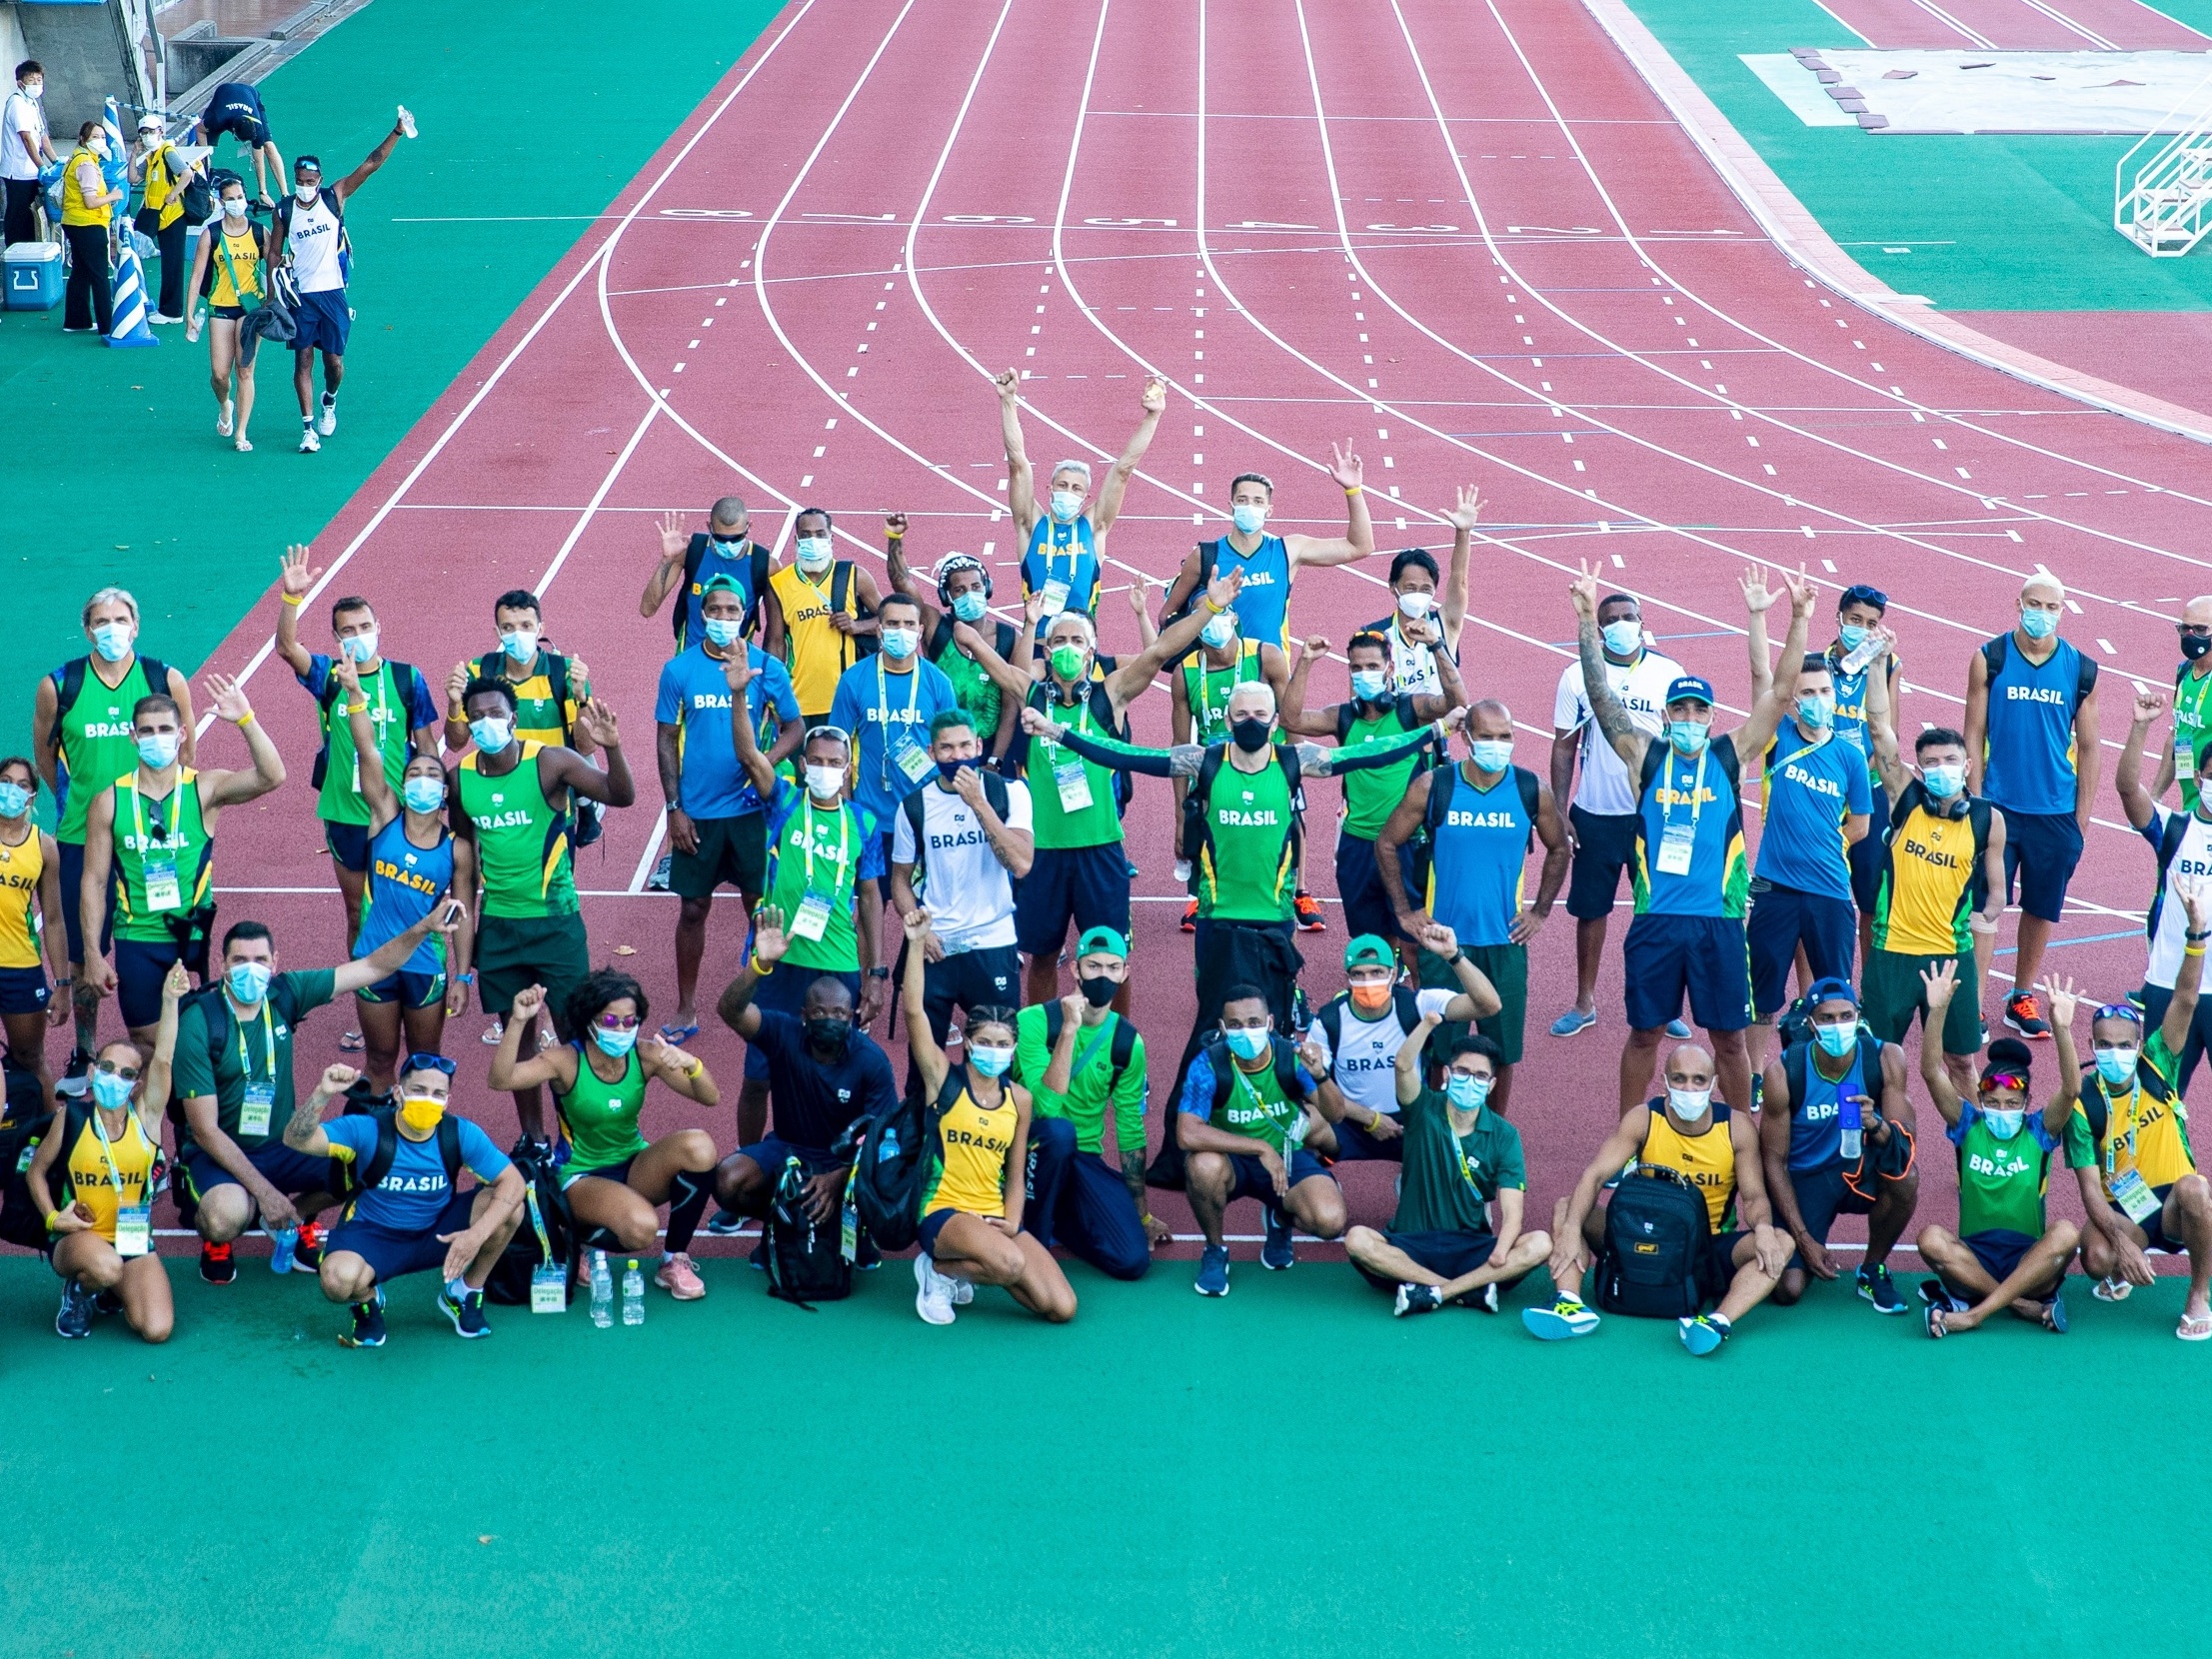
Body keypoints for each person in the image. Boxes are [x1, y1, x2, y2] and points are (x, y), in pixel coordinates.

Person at [1028, 680, 1447, 1064]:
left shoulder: (1294, 761)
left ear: (1275, 721)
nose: (1251, 722)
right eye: (1242, 714)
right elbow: (1128, 755)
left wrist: (1428, 732)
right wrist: (1060, 733)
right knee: (1213, 1025)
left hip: (1276, 921)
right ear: (1228, 720)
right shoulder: (1204, 761)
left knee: (1274, 1026)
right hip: (1217, 919)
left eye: (1261, 715)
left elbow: (1364, 753)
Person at [1567, 561, 1805, 1118]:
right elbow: (1601, 697)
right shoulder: (1644, 755)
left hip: (1719, 925)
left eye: (1700, 708)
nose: (1691, 716)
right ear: (1668, 715)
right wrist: (1584, 618)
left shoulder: (1731, 753)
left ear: (1711, 714)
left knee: (1728, 1040)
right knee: (1645, 1035)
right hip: (1656, 923)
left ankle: (1740, 1139)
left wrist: (1799, 617)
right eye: (1681, 709)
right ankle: (1629, 1136)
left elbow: (1782, 692)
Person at [986, 567, 1244, 1004]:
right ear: (1046, 652)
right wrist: (1022, 626)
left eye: (1077, 641)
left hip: (1101, 848)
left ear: (1091, 653)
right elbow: (984, 652)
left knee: (1113, 954)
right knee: (1044, 956)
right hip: (1044, 850)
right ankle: (1038, 1043)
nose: (1068, 649)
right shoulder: (1030, 693)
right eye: (1059, 641)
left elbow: (1159, 652)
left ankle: (1119, 1049)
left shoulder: (1112, 694)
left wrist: (1212, 607)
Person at [174, 905, 455, 1283]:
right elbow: (205, 1130)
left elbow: (373, 967)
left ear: (276, 962)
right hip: (219, 1153)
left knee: (364, 1163)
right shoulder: (199, 1020)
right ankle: (219, 1240)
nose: (250, 968)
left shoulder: (285, 994)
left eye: (260, 959)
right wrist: (266, 1193)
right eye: (239, 959)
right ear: (222, 964)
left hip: (282, 1143)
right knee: (225, 1218)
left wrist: (422, 927)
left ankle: (299, 1217)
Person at [450, 678, 633, 1139]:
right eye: (477, 716)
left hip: (557, 924)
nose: (487, 722)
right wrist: (463, 971)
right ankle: (533, 1138)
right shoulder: (460, 779)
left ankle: (581, 1135)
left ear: (512, 717)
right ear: (468, 724)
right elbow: (464, 877)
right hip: (500, 928)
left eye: (496, 713)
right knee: (519, 1038)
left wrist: (613, 749)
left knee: (575, 1037)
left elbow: (621, 795)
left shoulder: (549, 761)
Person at [1525, 1041, 1788, 1354]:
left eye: (1698, 1080)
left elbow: (1755, 1196)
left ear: (1714, 1084)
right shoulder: (1644, 1119)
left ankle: (1716, 1322)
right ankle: (1570, 1304)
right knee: (1567, 1208)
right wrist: (1569, 1232)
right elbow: (1595, 1175)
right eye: (1679, 1079)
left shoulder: (1736, 1127)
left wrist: (1762, 1229)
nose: (1688, 1087)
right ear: (1664, 1081)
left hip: (1708, 1247)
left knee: (1781, 1241)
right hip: (1641, 1238)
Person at [31, 589, 198, 1064]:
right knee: (87, 953)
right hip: (82, 837)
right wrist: (74, 798)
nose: (112, 629)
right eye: (101, 621)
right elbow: (46, 753)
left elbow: (187, 756)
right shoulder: (59, 685)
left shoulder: (163, 678)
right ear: (87, 630)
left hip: (153, 839)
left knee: (164, 936)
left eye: (120, 619)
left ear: (137, 625)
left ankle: (166, 1047)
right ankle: (85, 1051)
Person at [1376, 702, 1568, 1113]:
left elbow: (1559, 848)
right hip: (1444, 945)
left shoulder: (1530, 789)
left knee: (1501, 1054)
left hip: (1505, 945)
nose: (1497, 745)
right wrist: (1405, 912)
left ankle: (1493, 1135)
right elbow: (1386, 843)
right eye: (1486, 736)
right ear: (1466, 738)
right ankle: (1431, 1135)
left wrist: (1540, 911)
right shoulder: (1434, 786)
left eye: (1505, 737)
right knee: (1437, 1050)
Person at [80, 679, 284, 1053]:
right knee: (145, 1040)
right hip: (137, 939)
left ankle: (195, 1110)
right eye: (147, 731)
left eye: (165, 729)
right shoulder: (108, 801)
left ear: (181, 734)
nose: (156, 738)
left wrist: (246, 720)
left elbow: (273, 776)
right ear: (132, 737)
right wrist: (93, 953)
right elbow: (93, 881)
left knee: (200, 1041)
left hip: (192, 938)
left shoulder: (204, 788)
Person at [488, 975, 722, 1300]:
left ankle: (673, 1261)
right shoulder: (565, 1061)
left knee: (700, 1146)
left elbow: (710, 1098)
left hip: (633, 1163)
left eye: (630, 1021)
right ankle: (575, 1239)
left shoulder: (645, 1055)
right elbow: (501, 1080)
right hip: (581, 1175)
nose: (622, 1029)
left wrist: (691, 1064)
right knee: (642, 1228)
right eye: (611, 1020)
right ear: (590, 1019)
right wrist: (517, 1022)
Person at [901, 907, 1074, 1325]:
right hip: (943, 1211)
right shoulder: (943, 1079)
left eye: (1003, 1043)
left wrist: (1012, 1221)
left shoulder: (1020, 1100)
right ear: (969, 1044)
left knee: (1060, 1307)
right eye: (985, 1042)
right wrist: (917, 942)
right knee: (1010, 1265)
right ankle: (937, 1270)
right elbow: (914, 1014)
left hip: (993, 1214)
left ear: (1013, 1048)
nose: (994, 1050)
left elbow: (1015, 1174)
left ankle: (977, 1264)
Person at [722, 703, 885, 1144]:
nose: (826, 770)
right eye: (818, 761)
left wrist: (876, 975)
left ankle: (826, 1161)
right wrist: (739, 696)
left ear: (849, 768)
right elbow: (750, 756)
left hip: (837, 966)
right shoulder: (785, 802)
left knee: (833, 1077)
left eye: (836, 763)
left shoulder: (864, 823)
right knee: (758, 1077)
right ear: (802, 764)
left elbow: (870, 897)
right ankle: (749, 1161)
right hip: (778, 962)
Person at [285, 1054, 526, 1346]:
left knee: (511, 1209)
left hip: (438, 1231)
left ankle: (465, 1291)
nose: (428, 1100)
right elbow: (295, 1139)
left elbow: (514, 1182)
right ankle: (367, 1301)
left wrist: (477, 1235)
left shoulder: (460, 1133)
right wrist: (322, 1092)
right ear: (398, 1093)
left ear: (448, 1101)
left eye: (438, 1094)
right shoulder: (367, 1129)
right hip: (374, 1235)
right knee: (336, 1282)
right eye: (418, 1090)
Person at [653, 576, 803, 1039]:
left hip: (752, 814)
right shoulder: (678, 670)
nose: (722, 618)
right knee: (693, 909)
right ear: (702, 617)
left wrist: (763, 767)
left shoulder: (765, 667)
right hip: (697, 813)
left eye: (731, 610)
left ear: (747, 616)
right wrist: (674, 808)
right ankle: (686, 1006)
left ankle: (761, 996)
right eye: (713, 610)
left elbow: (794, 729)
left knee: (759, 906)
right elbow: (665, 740)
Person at [1740, 565, 1872, 1075]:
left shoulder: (1849, 757)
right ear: (1793, 699)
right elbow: (1760, 676)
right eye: (1807, 693)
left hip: (1830, 893)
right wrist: (1764, 616)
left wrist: (1825, 846)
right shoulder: (1778, 738)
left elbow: (1859, 824)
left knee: (1834, 996)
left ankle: (1830, 1075)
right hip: (1774, 889)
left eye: (1824, 692)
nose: (1817, 700)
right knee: (1761, 996)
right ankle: (1755, 1074)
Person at [273, 546, 441, 944]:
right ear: (335, 637)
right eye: (348, 631)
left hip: (401, 811)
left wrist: (432, 800)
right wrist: (291, 598)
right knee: (356, 913)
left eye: (364, 627)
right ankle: (367, 991)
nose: (358, 636)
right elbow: (285, 648)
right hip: (345, 813)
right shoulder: (327, 676)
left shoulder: (407, 678)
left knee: (404, 908)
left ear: (379, 627)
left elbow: (427, 744)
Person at [2065, 904, 2212, 1341]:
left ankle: (2198, 1294)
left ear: (2137, 1044)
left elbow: (2185, 998)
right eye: (2104, 1045)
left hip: (2172, 1205)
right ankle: (2124, 1267)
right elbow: (2090, 1190)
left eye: (2124, 1045)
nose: (2115, 1053)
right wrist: (2124, 1243)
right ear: (2092, 1045)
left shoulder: (2158, 1062)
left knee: (2198, 1190)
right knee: (2093, 1255)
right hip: (2128, 1208)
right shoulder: (2084, 1102)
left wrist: (2195, 935)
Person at [708, 902, 899, 1237]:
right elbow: (730, 1010)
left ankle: (854, 1232)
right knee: (727, 1179)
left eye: (839, 1014)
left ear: (851, 1015)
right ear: (804, 1015)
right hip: (788, 1149)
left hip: (845, 1162)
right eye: (820, 1012)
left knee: (888, 1176)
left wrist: (840, 1175)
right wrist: (760, 965)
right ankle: (783, 1221)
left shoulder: (871, 1061)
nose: (831, 1020)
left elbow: (884, 1136)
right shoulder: (784, 1033)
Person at [1962, 573, 2099, 1038]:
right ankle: (1974, 1003)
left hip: (2055, 813)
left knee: (2041, 908)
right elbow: (1973, 734)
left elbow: (2093, 747)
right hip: (1999, 807)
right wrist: (1979, 801)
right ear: (2018, 604)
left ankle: (2020, 995)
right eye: (2034, 603)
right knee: (1984, 908)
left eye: (2052, 606)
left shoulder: (2081, 669)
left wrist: (2080, 820)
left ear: (2064, 609)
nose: (2042, 613)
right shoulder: (1990, 659)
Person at [1861, 664, 2005, 1101]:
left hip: (1950, 957)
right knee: (1880, 1061)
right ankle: (1879, 1149)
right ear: (1919, 769)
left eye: (1950, 760)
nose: (1941, 768)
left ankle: (1977, 1154)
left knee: (1961, 1061)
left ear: (1967, 765)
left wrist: (1989, 913)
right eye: (1931, 762)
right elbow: (1879, 727)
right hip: (1892, 955)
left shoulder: (1986, 818)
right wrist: (1875, 665)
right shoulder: (1904, 800)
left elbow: (1996, 888)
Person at [1914, 960, 2081, 1337]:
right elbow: (1930, 1072)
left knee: (2067, 1233)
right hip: (1975, 1259)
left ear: (2026, 1103)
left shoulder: (2039, 1130)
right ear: (1980, 1097)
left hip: (2029, 1260)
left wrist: (2062, 1027)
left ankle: (1973, 1314)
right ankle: (2020, 1305)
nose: (2001, 1110)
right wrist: (1936, 1010)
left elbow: (2071, 1089)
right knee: (1930, 1239)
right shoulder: (1967, 1125)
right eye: (1994, 1101)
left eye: (2011, 1103)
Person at [1547, 587, 1685, 1037]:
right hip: (1596, 813)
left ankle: (1668, 1004)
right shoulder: (1575, 677)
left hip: (1655, 815)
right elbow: (1564, 747)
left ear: (1643, 620)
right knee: (1591, 911)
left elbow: (1687, 744)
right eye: (1612, 618)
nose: (1623, 624)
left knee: (1663, 910)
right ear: (1599, 628)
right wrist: (1561, 809)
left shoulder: (1669, 674)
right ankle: (1584, 1001)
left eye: (1630, 615)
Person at [1344, 1017, 1549, 1315]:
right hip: (1411, 1243)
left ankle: (1430, 1293)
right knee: (1357, 1239)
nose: (1471, 1080)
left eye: (1480, 1076)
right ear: (1448, 1074)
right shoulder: (1422, 1109)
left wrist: (1501, 1253)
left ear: (1491, 1085)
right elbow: (1402, 1065)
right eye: (1463, 1071)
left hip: (1470, 1246)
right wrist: (1428, 1023)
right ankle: (1467, 1291)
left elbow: (1513, 1214)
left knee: (1540, 1243)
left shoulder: (1505, 1135)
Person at [29, 962, 186, 1342]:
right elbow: (36, 1171)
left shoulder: (146, 1120)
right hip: (78, 1241)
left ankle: (110, 1285)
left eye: (127, 1073)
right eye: (107, 1067)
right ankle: (80, 1290)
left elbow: (162, 1060)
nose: (114, 1077)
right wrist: (53, 1219)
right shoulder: (71, 1118)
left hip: (131, 1240)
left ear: (136, 1085)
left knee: (157, 1329)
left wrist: (169, 1001)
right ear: (95, 1070)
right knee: (105, 1266)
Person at [337, 669, 474, 1095]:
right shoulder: (384, 818)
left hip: (426, 967)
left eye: (433, 774)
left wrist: (464, 977)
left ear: (445, 792)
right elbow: (368, 750)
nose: (423, 780)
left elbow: (464, 914)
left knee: (423, 1066)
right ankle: (379, 1148)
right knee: (379, 1063)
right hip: (374, 960)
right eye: (414, 773)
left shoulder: (458, 850)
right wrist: (356, 697)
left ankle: (422, 1144)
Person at [1279, 625, 1461, 936]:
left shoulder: (1411, 710)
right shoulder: (1343, 717)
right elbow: (1291, 720)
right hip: (1357, 841)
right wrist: (1306, 660)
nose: (1365, 674)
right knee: (1367, 938)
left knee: (1414, 939)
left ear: (1390, 668)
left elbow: (1456, 703)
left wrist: (1436, 644)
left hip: (1407, 841)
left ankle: (1407, 982)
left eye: (1373, 667)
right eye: (1357, 668)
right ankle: (1376, 984)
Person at [1757, 976, 1918, 1315]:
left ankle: (1872, 1269)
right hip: (1808, 1178)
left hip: (1860, 1170)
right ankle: (1804, 1246)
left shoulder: (1886, 1057)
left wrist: (1876, 1124)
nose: (1838, 1026)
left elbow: (1905, 1146)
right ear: (1811, 1023)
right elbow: (1773, 1161)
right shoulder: (1784, 1071)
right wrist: (1803, 1239)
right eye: (1827, 1018)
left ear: (1858, 1017)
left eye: (1846, 1016)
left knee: (1906, 1179)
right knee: (1788, 1290)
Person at [1015, 927, 1164, 1278]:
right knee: (1059, 1132)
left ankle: (1061, 1220)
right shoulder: (1034, 1022)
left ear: (1125, 973)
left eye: (1113, 968)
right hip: (1029, 1148)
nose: (1103, 976)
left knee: (1132, 1261)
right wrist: (1069, 1031)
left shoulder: (1128, 1042)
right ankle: (1034, 1243)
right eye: (1093, 966)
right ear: (1075, 970)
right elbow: (1046, 1109)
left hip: (1082, 1159)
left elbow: (1129, 1128)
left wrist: (1141, 1215)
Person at [1175, 985, 1343, 1295]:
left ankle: (1279, 1218)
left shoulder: (1291, 1057)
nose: (1246, 1031)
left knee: (1330, 1222)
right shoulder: (1208, 1064)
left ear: (1269, 1022)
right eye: (1236, 1025)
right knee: (1202, 1166)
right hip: (1233, 1161)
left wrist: (1320, 1075)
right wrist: (1259, 1147)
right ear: (1223, 1028)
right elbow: (1187, 1133)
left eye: (1253, 1023)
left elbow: (1335, 1114)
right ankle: (1215, 1249)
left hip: (1287, 1159)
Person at [267, 111, 413, 453]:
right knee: (302, 360)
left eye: (310, 181)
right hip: (301, 298)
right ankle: (307, 429)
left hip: (332, 294)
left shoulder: (335, 197)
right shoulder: (283, 210)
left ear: (320, 180)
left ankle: (329, 400)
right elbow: (274, 253)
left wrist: (397, 131)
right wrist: (272, 294)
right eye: (300, 180)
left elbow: (371, 163)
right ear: (295, 178)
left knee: (334, 363)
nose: (305, 186)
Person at [890, 711, 1033, 1053]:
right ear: (931, 753)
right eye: (947, 748)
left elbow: (1020, 863)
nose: (958, 756)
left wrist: (979, 804)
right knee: (924, 1065)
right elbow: (899, 881)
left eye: (966, 746)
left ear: (979, 745)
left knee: (996, 1056)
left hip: (993, 943)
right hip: (936, 948)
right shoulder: (913, 807)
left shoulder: (1010, 794)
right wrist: (921, 934)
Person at [1303, 929, 1497, 1166]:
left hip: (1410, 1119)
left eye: (1377, 972)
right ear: (1348, 978)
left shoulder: (1418, 1004)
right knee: (1303, 1124)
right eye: (1359, 974)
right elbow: (1312, 1088)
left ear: (1394, 973)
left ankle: (1415, 1178)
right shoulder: (1328, 1020)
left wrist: (1454, 956)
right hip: (1350, 1119)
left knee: (1456, 1133)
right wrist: (1372, 1119)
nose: (1368, 982)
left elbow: (1488, 1005)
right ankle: (1314, 1180)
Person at [1160, 445, 1374, 650]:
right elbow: (1166, 617)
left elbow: (1360, 546)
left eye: (1257, 501)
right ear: (1231, 507)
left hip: (1268, 673)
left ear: (1269, 510)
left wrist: (1353, 490)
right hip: (1217, 674)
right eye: (1242, 500)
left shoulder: (1288, 551)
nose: (1249, 507)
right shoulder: (1205, 556)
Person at [998, 369, 1164, 629]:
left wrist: (1153, 416)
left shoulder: (1093, 526)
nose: (1068, 492)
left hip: (1082, 647)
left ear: (1086, 496)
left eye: (1076, 488)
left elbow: (1123, 470)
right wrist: (1008, 402)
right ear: (1050, 489)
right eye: (1062, 485)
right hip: (1038, 646)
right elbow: (1017, 464)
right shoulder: (1030, 526)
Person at [827, 591, 959, 894]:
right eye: (893, 623)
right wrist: (848, 809)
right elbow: (837, 750)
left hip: (924, 815)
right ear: (879, 629)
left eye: (909, 624)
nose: (902, 631)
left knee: (928, 910)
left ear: (921, 631)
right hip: (871, 817)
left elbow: (951, 752)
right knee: (868, 907)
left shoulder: (938, 683)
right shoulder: (854, 679)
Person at [1171, 596, 1289, 931]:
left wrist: (1293, 776)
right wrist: (1179, 817)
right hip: (1214, 773)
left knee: (1273, 839)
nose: (1212, 622)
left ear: (1235, 616)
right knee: (1208, 833)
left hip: (1266, 768)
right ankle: (1202, 900)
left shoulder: (1265, 655)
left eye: (1218, 612)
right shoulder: (1186, 672)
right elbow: (1180, 748)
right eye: (1202, 616)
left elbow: (1291, 719)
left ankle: (1288, 897)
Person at [2116, 685, 2212, 1089]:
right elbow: (2127, 790)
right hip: (2167, 984)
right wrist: (2140, 729)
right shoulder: (2174, 830)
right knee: (2157, 1095)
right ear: (2199, 777)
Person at [884, 527, 1023, 765]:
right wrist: (894, 539)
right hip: (941, 748)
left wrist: (995, 760)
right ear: (947, 596)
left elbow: (1011, 708)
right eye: (960, 589)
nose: (970, 594)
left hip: (990, 749)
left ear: (987, 588)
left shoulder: (1010, 638)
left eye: (976, 587)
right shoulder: (936, 627)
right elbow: (901, 582)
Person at [1817, 583, 1901, 958]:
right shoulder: (1814, 665)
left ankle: (1868, 993)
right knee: (1816, 893)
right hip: (1819, 789)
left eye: (1871, 623)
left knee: (1870, 900)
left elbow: (1887, 733)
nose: (1862, 629)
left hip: (1867, 790)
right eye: (1855, 619)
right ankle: (1813, 995)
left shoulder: (1887, 666)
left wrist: (1858, 773)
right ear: (1839, 618)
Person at [1360, 488, 1478, 699]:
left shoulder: (1445, 624)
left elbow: (1459, 579)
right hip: (1393, 730)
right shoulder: (1374, 636)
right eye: (1410, 588)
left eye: (1426, 589)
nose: (1418, 594)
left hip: (1437, 729)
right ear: (1392, 587)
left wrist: (1463, 533)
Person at [0, 758, 70, 1111]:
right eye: (5, 780)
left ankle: (50, 1138)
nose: (11, 789)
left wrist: (63, 984)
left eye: (21, 784)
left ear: (31, 796)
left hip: (20, 967)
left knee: (30, 1056)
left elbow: (54, 920)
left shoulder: (43, 847)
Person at [768, 509, 880, 723]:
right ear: (796, 539)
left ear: (831, 538)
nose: (813, 540)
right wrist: (775, 697)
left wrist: (857, 626)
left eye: (820, 534)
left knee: (843, 757)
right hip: (797, 701)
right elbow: (775, 643)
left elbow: (890, 619)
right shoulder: (779, 583)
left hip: (845, 700)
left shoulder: (855, 576)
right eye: (806, 534)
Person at [184, 173, 268, 451]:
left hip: (250, 309)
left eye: (240, 197)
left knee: (245, 371)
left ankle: (241, 432)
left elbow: (277, 265)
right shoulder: (212, 234)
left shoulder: (259, 232)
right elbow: (196, 276)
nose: (237, 203)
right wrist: (189, 313)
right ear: (221, 202)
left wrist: (274, 305)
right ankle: (225, 405)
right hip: (220, 307)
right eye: (231, 199)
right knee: (220, 374)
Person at [642, 498, 784, 657]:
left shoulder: (767, 566)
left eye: (736, 538)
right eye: (721, 538)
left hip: (737, 666)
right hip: (690, 662)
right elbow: (648, 609)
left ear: (748, 527)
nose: (729, 544)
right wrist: (666, 560)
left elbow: (776, 635)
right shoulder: (691, 552)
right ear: (709, 527)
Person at [126, 112, 201, 324]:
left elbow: (186, 174)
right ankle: (168, 309)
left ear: (160, 132)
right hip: (160, 216)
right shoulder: (151, 157)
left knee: (173, 265)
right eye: (144, 133)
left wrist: (173, 193)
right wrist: (134, 155)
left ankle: (173, 312)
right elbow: (133, 178)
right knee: (169, 263)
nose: (148, 135)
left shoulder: (167, 152)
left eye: (152, 131)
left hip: (173, 216)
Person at [2149, 596, 2212, 813]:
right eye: (2185, 629)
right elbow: (2179, 737)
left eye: (2201, 629)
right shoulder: (2184, 672)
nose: (2191, 635)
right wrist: (2155, 796)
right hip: (2192, 802)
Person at [59, 121, 122, 337]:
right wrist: (113, 196)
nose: (100, 140)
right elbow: (90, 201)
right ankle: (107, 324)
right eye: (95, 136)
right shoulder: (86, 164)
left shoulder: (77, 158)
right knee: (99, 275)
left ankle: (77, 320)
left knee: (81, 272)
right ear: (83, 139)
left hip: (74, 221)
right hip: (88, 223)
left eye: (102, 136)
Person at [192, 80, 285, 208]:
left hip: (250, 94)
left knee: (268, 145)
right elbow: (199, 129)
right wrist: (205, 153)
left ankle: (285, 194)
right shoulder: (218, 119)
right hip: (223, 94)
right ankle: (204, 189)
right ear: (233, 131)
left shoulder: (257, 127)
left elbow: (258, 160)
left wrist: (262, 192)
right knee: (203, 152)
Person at [3, 61, 56, 247]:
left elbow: (42, 136)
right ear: (20, 82)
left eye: (39, 80)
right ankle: (13, 253)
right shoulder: (17, 104)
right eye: (31, 80)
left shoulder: (32, 103)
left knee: (30, 215)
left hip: (32, 170)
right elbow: (26, 138)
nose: (36, 84)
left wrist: (56, 162)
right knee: (18, 215)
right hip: (18, 171)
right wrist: (41, 165)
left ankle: (28, 252)